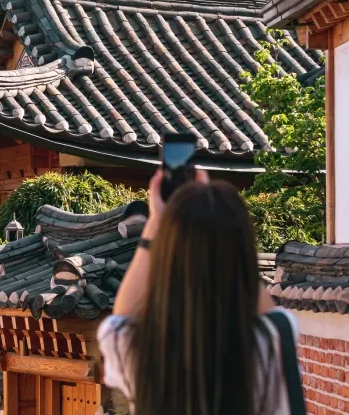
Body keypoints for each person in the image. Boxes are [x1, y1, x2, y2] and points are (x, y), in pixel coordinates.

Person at [97, 169, 299, 415]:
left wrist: (155, 224)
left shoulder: (139, 348)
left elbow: (122, 316)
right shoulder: (269, 339)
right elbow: (259, 302)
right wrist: (227, 239)